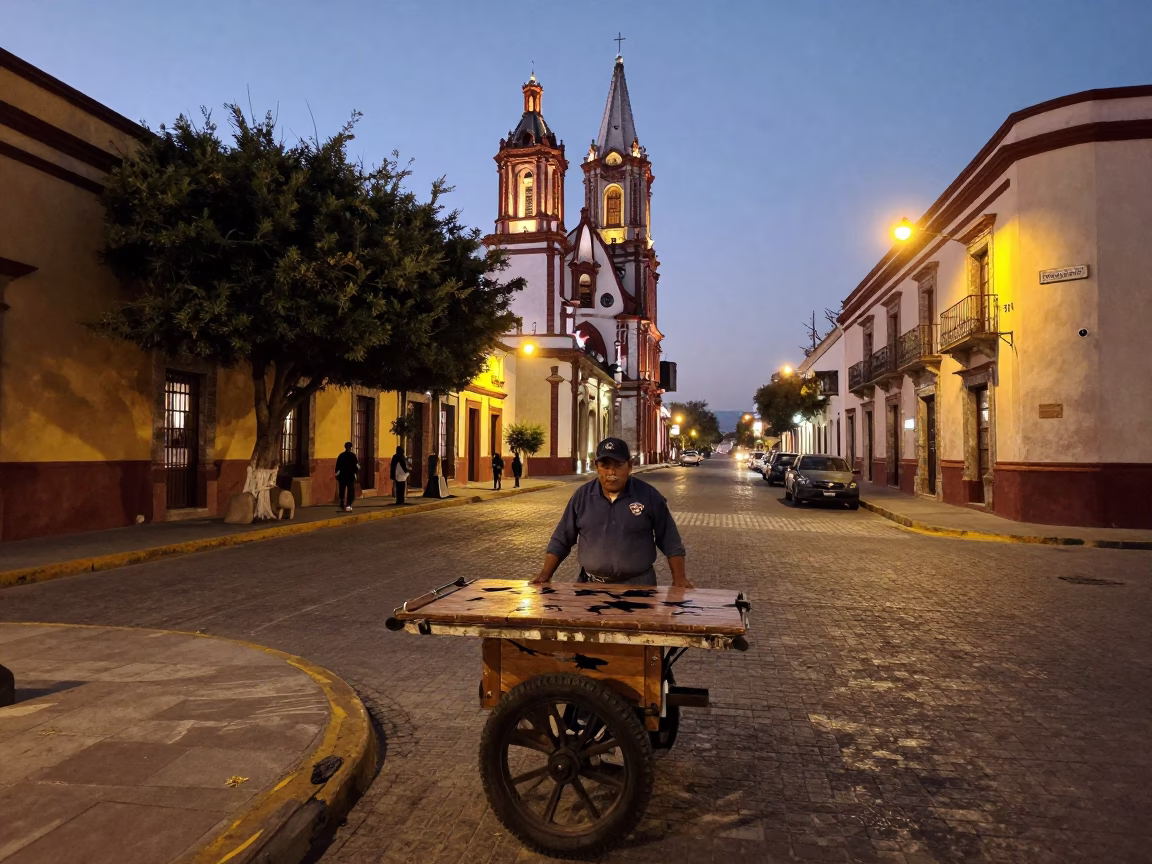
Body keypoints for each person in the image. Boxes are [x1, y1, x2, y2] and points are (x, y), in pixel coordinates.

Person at [532, 437, 693, 588]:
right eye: (605, 466)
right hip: (589, 587)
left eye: (618, 465)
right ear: (597, 467)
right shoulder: (582, 497)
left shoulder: (649, 496)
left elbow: (670, 540)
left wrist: (679, 577)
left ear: (630, 466)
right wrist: (545, 574)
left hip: (639, 587)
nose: (611, 473)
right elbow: (562, 539)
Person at [335, 442, 359, 512]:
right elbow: (357, 466)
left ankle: (342, 502)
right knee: (350, 491)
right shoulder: (353, 456)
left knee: (342, 490)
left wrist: (337, 475)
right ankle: (348, 504)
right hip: (350, 476)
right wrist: (356, 471)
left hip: (342, 476)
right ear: (351, 447)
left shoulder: (341, 455)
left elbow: (337, 467)